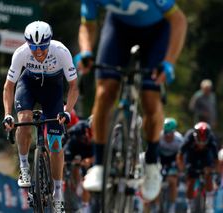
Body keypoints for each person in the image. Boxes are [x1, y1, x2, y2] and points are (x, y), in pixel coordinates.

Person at [75, 0, 188, 201]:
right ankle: (100, 165)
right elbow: (88, 24)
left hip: (156, 33)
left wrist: (169, 62)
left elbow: (179, 21)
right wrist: (86, 51)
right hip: (118, 28)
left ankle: (152, 164)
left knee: (150, 99)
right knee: (104, 93)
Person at [2, 21, 79, 212]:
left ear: (49, 42)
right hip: (28, 84)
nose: (38, 52)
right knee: (25, 119)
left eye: (42, 47)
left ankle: (58, 193)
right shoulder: (21, 53)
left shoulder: (61, 52)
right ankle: (24, 166)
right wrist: (7, 115)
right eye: (33, 47)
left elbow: (74, 86)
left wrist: (67, 111)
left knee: (55, 143)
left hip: (53, 89)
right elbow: (9, 86)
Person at [176, 121, 218, 213]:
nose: (201, 145)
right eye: (199, 142)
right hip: (192, 157)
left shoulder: (211, 139)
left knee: (209, 176)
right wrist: (182, 168)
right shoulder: (189, 137)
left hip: (206, 157)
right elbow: (180, 155)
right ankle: (190, 205)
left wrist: (213, 170)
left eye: (204, 143)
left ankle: (209, 205)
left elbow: (216, 159)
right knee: (191, 179)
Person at [155, 117, 184, 213]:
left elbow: (181, 157)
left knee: (173, 181)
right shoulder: (159, 137)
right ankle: (157, 205)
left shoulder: (179, 140)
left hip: (173, 160)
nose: (167, 135)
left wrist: (180, 170)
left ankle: (172, 205)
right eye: (165, 132)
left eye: (169, 133)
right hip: (161, 158)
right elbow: (153, 153)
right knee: (157, 181)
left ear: (174, 132)